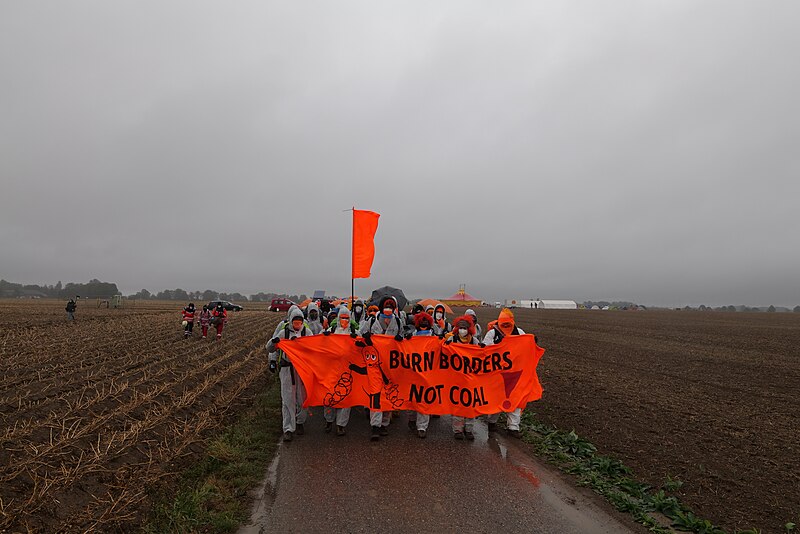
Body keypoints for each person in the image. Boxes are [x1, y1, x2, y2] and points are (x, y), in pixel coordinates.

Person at [362, 296, 405, 439]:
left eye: (391, 307)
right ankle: (375, 426)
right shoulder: (372, 320)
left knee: (388, 394)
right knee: (375, 395)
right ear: (381, 307)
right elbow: (360, 334)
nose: (388, 309)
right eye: (386, 306)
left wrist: (401, 339)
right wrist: (366, 337)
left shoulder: (398, 321)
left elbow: (403, 338)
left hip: (390, 366)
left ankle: (384, 424)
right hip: (374, 365)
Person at [267, 307, 313, 441]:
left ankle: (300, 422)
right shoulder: (283, 333)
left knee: (302, 398)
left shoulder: (307, 332)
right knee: (287, 399)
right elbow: (270, 348)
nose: (297, 325)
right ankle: (288, 428)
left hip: (302, 370)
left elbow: (314, 349)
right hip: (287, 369)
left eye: (299, 322)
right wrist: (273, 348)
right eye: (295, 322)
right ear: (291, 321)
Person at [483, 308, 527, 438]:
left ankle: (513, 427)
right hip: (497, 374)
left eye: (508, 323)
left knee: (515, 400)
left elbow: (526, 346)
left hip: (515, 374)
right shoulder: (492, 334)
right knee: (497, 399)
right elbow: (485, 350)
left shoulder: (519, 333)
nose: (506, 326)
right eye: (504, 323)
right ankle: (492, 421)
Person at [321, 307, 356, 435]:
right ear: (338, 318)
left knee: (346, 395)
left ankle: (341, 424)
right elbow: (319, 343)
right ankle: (329, 420)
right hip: (331, 368)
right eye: (342, 318)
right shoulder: (331, 330)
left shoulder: (353, 332)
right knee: (330, 394)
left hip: (347, 369)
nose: (344, 320)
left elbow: (363, 344)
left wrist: (357, 338)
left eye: (347, 318)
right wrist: (324, 337)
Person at [446, 316, 480, 440]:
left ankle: (469, 429)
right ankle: (457, 430)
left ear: (469, 329)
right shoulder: (452, 339)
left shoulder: (474, 341)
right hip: (456, 378)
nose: (462, 330)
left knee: (470, 404)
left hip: (470, 377)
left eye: (465, 328)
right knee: (458, 404)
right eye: (460, 328)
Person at [407, 312, 434, 438]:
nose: (423, 326)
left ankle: (422, 426)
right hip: (413, 373)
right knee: (413, 398)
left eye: (426, 324)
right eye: (421, 324)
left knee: (424, 400)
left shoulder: (434, 337)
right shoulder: (412, 337)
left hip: (427, 374)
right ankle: (412, 419)